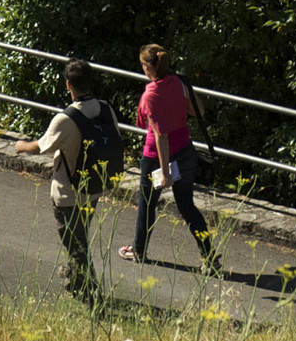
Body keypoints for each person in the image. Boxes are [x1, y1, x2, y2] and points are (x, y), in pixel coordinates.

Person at [15, 57, 118, 303]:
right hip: (93, 187)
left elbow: (40, 147)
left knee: (74, 243)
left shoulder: (66, 119)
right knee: (79, 236)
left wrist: (20, 145)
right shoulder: (105, 109)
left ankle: (92, 297)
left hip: (67, 193)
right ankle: (73, 279)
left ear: (68, 84)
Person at [118, 41, 215, 268]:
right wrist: (186, 88)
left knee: (147, 204)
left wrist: (164, 174)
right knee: (187, 206)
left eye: (142, 64)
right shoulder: (179, 83)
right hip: (185, 151)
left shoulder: (150, 95)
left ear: (148, 67)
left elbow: (160, 135)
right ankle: (209, 257)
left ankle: (139, 251)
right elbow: (198, 111)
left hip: (156, 158)